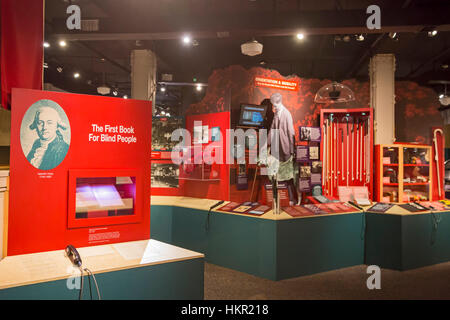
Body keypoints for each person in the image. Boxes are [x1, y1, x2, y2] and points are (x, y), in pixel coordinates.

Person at [268, 93, 298, 204]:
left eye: (274, 104)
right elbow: (272, 129)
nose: (273, 107)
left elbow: (291, 133)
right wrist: (266, 144)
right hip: (277, 150)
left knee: (288, 176)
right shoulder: (276, 114)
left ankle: (292, 199)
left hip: (286, 151)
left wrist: (291, 150)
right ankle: (277, 199)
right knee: (276, 175)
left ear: (278, 102)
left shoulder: (287, 114)